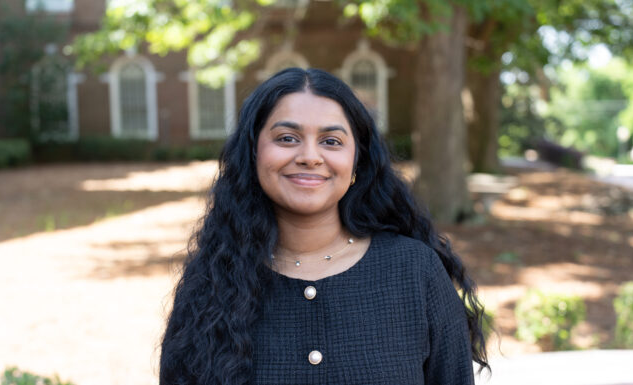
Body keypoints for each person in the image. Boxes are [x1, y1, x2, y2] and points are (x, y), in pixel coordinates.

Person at [159, 68, 488, 385]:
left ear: (357, 160)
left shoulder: (417, 272)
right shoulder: (211, 284)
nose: (310, 156)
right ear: (253, 153)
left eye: (331, 141)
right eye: (287, 138)